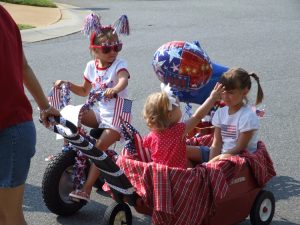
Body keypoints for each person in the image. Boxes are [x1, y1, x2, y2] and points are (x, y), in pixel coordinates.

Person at [55, 14, 131, 202]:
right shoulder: (91, 66)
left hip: (120, 112)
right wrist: (66, 83)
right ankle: (69, 150)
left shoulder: (120, 65)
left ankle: (86, 190)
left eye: (116, 47)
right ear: (94, 51)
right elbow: (83, 90)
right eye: (107, 49)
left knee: (98, 149)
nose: (112, 52)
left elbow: (122, 80)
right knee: (73, 112)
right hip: (100, 111)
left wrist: (114, 89)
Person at [0, 6, 60, 225]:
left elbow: (23, 66)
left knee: (9, 217)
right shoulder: (5, 16)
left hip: (10, 132)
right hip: (16, 129)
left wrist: (45, 106)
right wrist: (44, 106)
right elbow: (23, 66)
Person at [142, 83, 224, 169]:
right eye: (179, 107)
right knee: (200, 157)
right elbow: (197, 116)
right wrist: (212, 98)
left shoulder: (151, 135)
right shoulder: (178, 130)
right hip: (181, 172)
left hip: (162, 173)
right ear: (170, 115)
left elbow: (145, 145)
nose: (180, 109)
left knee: (183, 151)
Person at [209, 67, 264, 162]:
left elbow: (240, 147)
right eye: (223, 92)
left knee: (221, 159)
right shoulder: (220, 113)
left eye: (230, 93)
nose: (225, 97)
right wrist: (209, 164)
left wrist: (215, 161)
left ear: (245, 92)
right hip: (223, 154)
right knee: (187, 150)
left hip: (239, 159)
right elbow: (216, 143)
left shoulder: (248, 116)